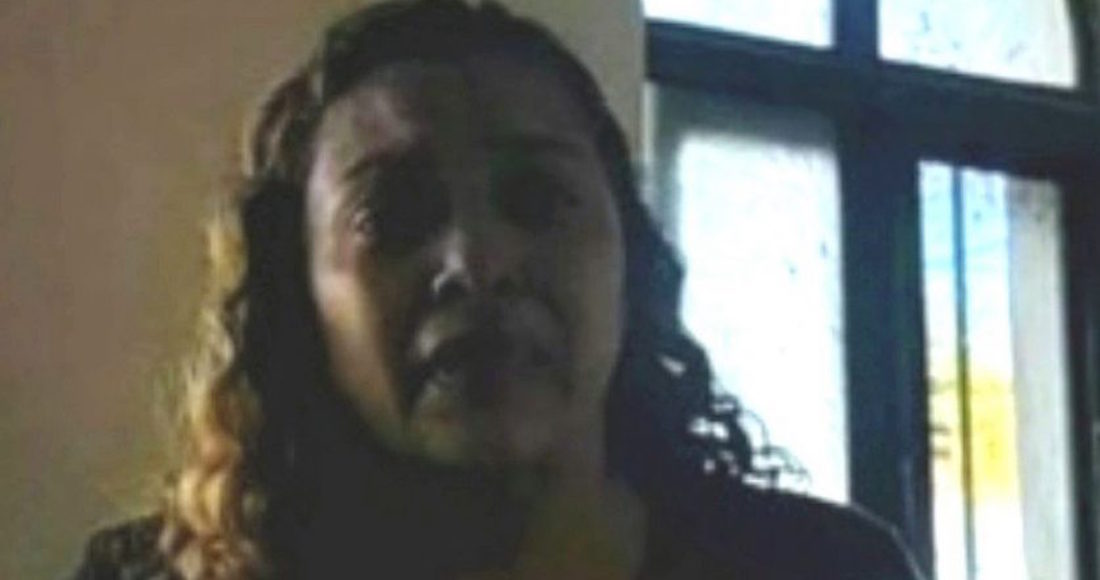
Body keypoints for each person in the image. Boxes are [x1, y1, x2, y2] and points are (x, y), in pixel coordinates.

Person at [72, 1, 924, 578]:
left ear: (630, 259)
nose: (479, 263)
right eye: (394, 214)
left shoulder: (821, 568)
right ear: (299, 297)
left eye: (539, 199)